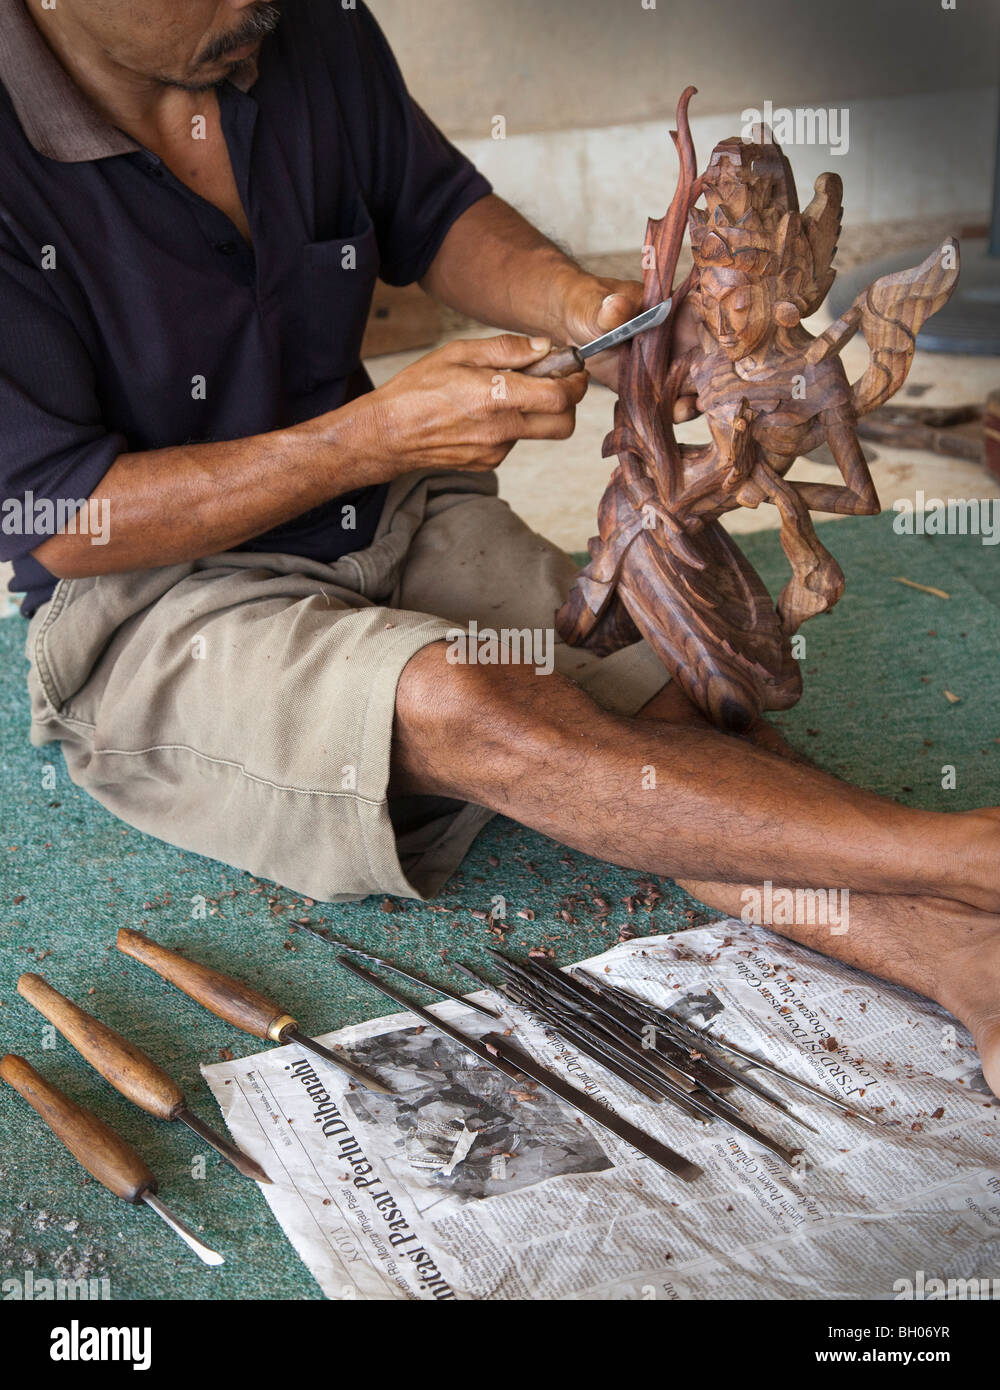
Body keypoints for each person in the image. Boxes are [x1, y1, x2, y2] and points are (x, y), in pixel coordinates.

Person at [1, 0, 997, 1097]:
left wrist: (585, 309)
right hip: (152, 597)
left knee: (680, 695)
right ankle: (966, 853)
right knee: (468, 702)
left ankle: (967, 956)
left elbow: (433, 210)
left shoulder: (295, 24)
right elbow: (53, 512)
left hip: (385, 508)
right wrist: (362, 436)